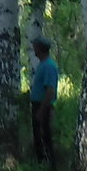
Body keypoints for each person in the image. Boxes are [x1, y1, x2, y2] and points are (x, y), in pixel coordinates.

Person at [29, 38, 60, 167]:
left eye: (35, 47)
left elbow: (50, 91)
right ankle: (41, 162)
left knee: (44, 136)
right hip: (38, 105)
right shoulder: (42, 64)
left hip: (43, 106)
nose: (33, 49)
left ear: (40, 49)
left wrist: (42, 110)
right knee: (38, 135)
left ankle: (49, 163)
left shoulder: (48, 66)